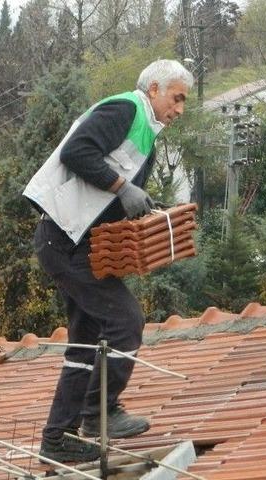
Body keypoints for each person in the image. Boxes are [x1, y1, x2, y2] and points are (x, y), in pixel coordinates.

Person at [22, 59, 192, 463]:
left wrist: (142, 204)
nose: (180, 109)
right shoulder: (126, 110)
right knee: (125, 321)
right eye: (177, 97)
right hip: (63, 241)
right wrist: (123, 188)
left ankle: (58, 440)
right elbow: (76, 153)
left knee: (85, 344)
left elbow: (114, 194)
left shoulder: (147, 132)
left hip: (78, 245)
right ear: (154, 89)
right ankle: (102, 415)